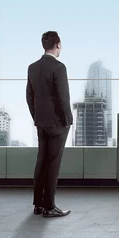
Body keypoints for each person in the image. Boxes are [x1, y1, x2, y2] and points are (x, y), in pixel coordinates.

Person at [26, 31, 73, 218]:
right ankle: (50, 206)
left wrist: (37, 116)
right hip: (57, 125)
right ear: (58, 44)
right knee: (53, 164)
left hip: (41, 122)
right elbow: (63, 98)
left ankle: (38, 204)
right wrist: (68, 121)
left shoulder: (32, 67)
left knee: (41, 162)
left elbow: (29, 96)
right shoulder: (59, 67)